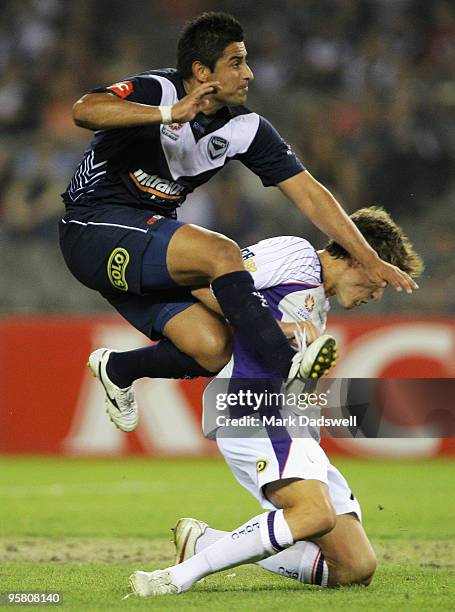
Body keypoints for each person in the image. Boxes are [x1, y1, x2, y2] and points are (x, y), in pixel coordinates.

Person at [59, 12, 418, 433]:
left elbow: (309, 192)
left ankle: (118, 369)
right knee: (220, 253)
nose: (248, 73)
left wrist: (367, 256)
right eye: (236, 62)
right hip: (93, 225)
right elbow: (85, 110)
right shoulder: (159, 89)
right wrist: (168, 114)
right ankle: (285, 366)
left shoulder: (246, 128)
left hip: (144, 242)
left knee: (212, 349)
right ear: (200, 71)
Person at [127, 206, 423, 596]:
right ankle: (174, 578)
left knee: (355, 566)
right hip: (252, 404)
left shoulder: (318, 304)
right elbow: (209, 284)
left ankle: (203, 543)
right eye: (379, 275)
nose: (379, 291)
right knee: (314, 513)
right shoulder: (294, 255)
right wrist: (277, 328)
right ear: (355, 255)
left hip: (288, 417)